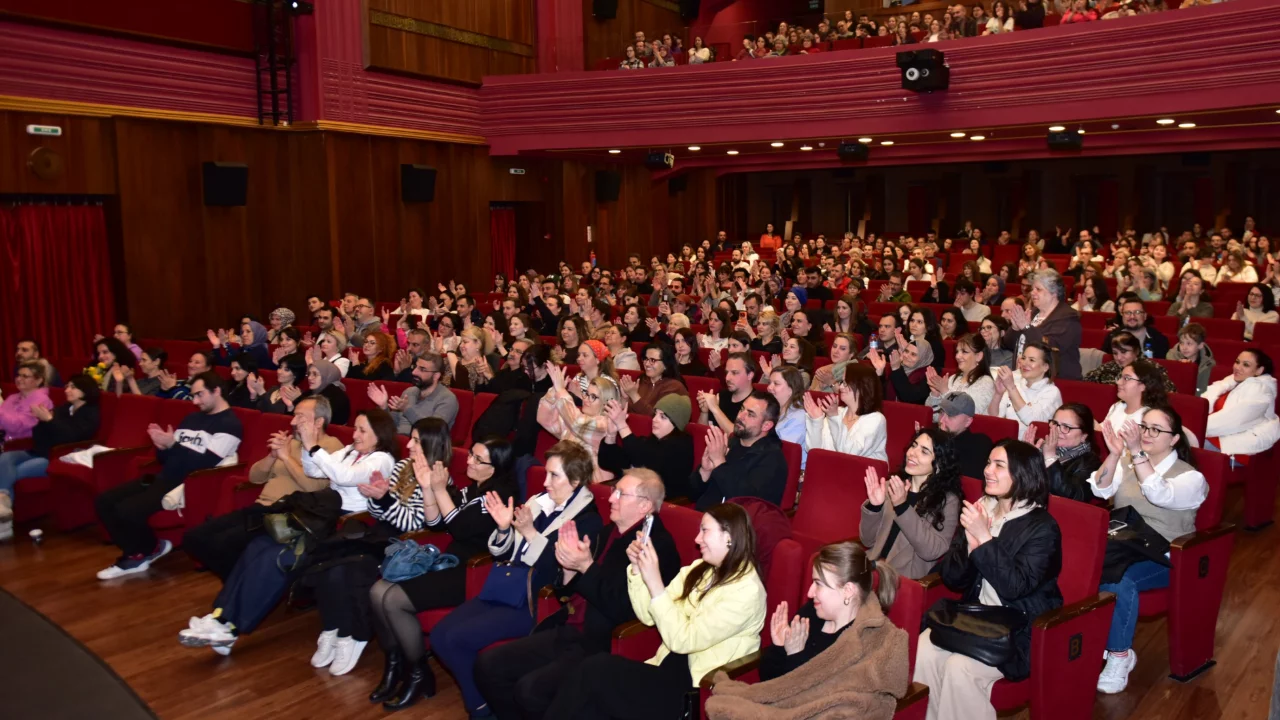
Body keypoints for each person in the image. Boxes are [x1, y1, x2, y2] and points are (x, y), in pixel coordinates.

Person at [179, 407, 397, 658]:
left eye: (362, 430)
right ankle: (220, 616)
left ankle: (230, 626)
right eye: (355, 428)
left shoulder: (381, 459)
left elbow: (343, 475)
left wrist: (313, 446)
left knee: (280, 558)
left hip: (344, 526)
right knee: (259, 545)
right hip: (320, 515)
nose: (355, 435)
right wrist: (307, 447)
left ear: (379, 434)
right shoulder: (350, 451)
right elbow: (315, 471)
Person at [474, 469, 683, 720]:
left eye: (620, 494)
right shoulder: (608, 533)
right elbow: (570, 591)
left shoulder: (655, 547)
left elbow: (622, 609)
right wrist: (568, 569)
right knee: (488, 665)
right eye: (614, 491)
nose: (611, 498)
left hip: (601, 642)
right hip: (570, 626)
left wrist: (585, 566)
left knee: (530, 690)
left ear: (644, 505)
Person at [426, 441, 603, 717]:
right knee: (440, 636)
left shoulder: (587, 520)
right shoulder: (538, 503)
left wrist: (531, 534)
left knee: (456, 639)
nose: (545, 482)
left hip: (536, 601)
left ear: (577, 480)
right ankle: (484, 704)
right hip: (506, 586)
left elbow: (557, 575)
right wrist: (503, 528)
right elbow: (505, 553)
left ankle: (481, 709)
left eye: (554, 476)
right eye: (546, 473)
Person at [545, 503, 767, 719]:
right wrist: (637, 569)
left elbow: (683, 640)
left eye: (704, 531)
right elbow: (647, 615)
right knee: (590, 700)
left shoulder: (747, 591)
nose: (697, 539)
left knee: (595, 669)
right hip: (665, 668)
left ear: (728, 536)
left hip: (695, 690)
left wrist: (654, 581)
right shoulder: (700, 570)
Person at [365, 436, 520, 709]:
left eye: (477, 459)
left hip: (473, 573)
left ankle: (418, 674)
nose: (469, 460)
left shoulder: (495, 495)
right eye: (471, 454)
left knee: (393, 599)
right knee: (378, 590)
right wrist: (427, 488)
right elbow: (436, 523)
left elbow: (458, 527)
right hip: (449, 562)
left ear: (494, 468)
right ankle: (395, 665)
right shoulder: (473, 488)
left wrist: (438, 489)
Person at [913, 439, 1063, 720]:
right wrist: (969, 544)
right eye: (988, 463)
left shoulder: (1043, 527)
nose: (987, 471)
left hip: (1019, 629)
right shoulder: (981, 509)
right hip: (977, 618)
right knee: (925, 647)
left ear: (1022, 474)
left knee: (960, 668)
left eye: (999, 465)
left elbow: (1015, 587)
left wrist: (983, 539)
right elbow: (954, 579)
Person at [307, 417, 451, 678]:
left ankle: (355, 635)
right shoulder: (403, 466)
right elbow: (379, 512)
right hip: (383, 532)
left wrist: (385, 500)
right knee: (330, 567)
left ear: (432, 443)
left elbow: (414, 523)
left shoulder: (441, 478)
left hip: (407, 544)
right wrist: (377, 497)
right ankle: (332, 628)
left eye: (417, 441)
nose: (409, 446)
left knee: (354, 569)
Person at [705, 541, 909, 720]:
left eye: (818, 584)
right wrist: (778, 647)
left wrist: (795, 655)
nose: (810, 592)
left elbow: (832, 699)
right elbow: (769, 679)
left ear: (847, 591)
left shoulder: (868, 638)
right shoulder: (811, 614)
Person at [1090, 406, 1207, 694]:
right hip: (1124, 544)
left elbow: (1158, 493)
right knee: (1084, 563)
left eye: (1156, 429)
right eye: (1144, 427)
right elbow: (1099, 489)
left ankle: (1120, 655)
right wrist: (1116, 453)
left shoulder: (1191, 478)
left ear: (1174, 439)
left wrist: (1135, 452)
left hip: (1166, 555)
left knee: (1118, 578)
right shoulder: (1128, 462)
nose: (1146, 434)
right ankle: (1091, 644)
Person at [94, 372, 243, 580]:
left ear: (216, 391)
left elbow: (204, 465)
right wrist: (162, 446)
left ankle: (137, 555)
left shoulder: (229, 425)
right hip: (164, 476)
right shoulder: (192, 417)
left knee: (126, 510)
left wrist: (173, 445)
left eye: (200, 395)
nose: (195, 401)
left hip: (185, 483)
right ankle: (147, 548)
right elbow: (167, 457)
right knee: (104, 500)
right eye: (193, 395)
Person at [181, 395, 343, 579]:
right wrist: (273, 455)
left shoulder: (331, 447)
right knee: (194, 537)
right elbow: (254, 477)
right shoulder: (290, 441)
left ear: (319, 422)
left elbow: (312, 486)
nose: (293, 421)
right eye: (294, 415)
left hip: (286, 515)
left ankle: (239, 586)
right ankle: (239, 581)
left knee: (223, 543)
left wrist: (285, 458)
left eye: (300, 417)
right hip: (260, 508)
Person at [0, 373, 99, 537]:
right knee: (5, 458)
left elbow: (73, 437)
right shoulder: (63, 409)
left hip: (56, 457)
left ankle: (4, 525)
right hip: (38, 450)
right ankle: (3, 501)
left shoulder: (90, 413)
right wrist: (42, 421)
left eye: (73, 387)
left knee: (15, 471)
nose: (67, 390)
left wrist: (50, 420)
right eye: (67, 386)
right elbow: (39, 435)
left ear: (86, 390)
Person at [860, 428, 962, 579]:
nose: (912, 453)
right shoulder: (893, 485)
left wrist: (902, 507)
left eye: (924, 451)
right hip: (871, 569)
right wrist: (875, 507)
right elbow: (867, 540)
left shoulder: (947, 501)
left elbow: (932, 551)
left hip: (902, 579)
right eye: (913, 445)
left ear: (939, 464)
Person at [690, 391, 789, 510]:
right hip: (703, 518)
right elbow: (692, 494)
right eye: (742, 409)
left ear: (766, 426)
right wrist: (705, 472)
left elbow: (748, 504)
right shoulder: (730, 443)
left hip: (733, 526)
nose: (740, 416)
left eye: (751, 414)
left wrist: (720, 464)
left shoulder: (772, 459)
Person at [599, 393, 695, 498]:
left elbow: (643, 460)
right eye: (655, 414)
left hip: (659, 504)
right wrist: (611, 435)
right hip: (635, 496)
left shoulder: (681, 446)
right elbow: (607, 462)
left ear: (677, 424)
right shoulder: (651, 441)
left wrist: (622, 425)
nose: (654, 419)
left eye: (662, 417)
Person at [1003, 269, 1082, 380]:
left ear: (1053, 293)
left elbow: (1049, 348)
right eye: (1033, 289)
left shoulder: (1068, 317)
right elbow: (1008, 344)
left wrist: (1026, 327)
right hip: (1025, 377)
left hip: (1057, 381)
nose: (1032, 292)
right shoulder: (1033, 312)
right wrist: (1015, 328)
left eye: (1038, 289)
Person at [1202, 349, 1280, 457]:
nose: (1237, 367)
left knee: (1179, 443)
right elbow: (1203, 405)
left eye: (1246, 365)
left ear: (1259, 370)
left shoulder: (1260, 390)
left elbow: (1234, 421)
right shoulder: (1231, 381)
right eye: (1237, 362)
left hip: (1234, 445)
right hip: (1215, 433)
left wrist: (1198, 427)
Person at [804, 364, 889, 463]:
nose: (840, 387)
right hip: (832, 471)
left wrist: (833, 417)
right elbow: (814, 451)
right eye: (841, 382)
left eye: (845, 383)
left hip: (862, 475)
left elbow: (849, 454)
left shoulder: (876, 419)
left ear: (861, 386)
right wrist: (816, 420)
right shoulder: (838, 412)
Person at [368, 353, 459, 435]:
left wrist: (407, 409)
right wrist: (384, 407)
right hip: (398, 443)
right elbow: (391, 424)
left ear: (436, 376)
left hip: (423, 449)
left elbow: (433, 432)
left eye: (422, 369)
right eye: (415, 367)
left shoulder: (447, 399)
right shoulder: (409, 392)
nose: (414, 372)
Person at [988, 341, 1063, 435]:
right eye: (1023, 358)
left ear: (1045, 367)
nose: (1024, 363)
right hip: (1008, 440)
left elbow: (1032, 421)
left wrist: (1011, 388)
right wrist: (998, 394)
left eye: (1031, 360)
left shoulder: (1051, 392)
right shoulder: (1016, 385)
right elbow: (994, 416)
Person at [1035, 403, 1101, 502]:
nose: (1057, 431)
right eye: (1055, 424)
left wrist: (1050, 458)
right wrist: (1027, 459)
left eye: (1066, 427)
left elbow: (1073, 496)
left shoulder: (1091, 463)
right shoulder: (1040, 446)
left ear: (1084, 436)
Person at [926, 333, 996, 420]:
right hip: (944, 431)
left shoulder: (985, 382)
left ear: (978, 356)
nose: (958, 356)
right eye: (957, 352)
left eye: (964, 352)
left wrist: (945, 391)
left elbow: (969, 414)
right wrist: (935, 394)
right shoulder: (953, 379)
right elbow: (935, 418)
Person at [1102, 358, 1170, 448]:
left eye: (1126, 378)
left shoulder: (1149, 418)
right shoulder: (1117, 406)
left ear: (1143, 386)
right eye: (1120, 377)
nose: (1118, 382)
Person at [1088, 331, 1177, 392]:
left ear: (1136, 351)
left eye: (1124, 352)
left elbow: (1170, 392)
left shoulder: (1152, 369)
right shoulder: (1107, 368)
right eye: (1115, 353)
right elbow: (1086, 385)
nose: (1119, 357)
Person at [935, 391, 995, 479]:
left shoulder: (979, 445)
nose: (941, 420)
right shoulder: (932, 436)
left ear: (968, 421)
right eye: (941, 413)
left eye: (950, 416)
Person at [622, 342, 691, 416]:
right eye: (645, 359)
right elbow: (629, 414)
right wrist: (625, 398)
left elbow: (656, 418)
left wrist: (633, 395)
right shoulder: (642, 380)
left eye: (653, 360)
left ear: (666, 364)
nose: (647, 364)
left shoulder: (675, 387)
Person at [697, 352, 755, 433]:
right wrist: (704, 412)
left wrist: (715, 408)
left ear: (750, 375)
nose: (727, 378)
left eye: (734, 373)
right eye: (726, 372)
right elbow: (701, 434)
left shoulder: (757, 403)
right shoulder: (722, 395)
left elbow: (738, 438)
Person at [767, 365, 810, 469]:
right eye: (769, 383)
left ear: (791, 389)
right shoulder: (772, 408)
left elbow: (782, 451)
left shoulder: (799, 416)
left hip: (790, 472)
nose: (769, 387)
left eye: (776, 384)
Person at [0, 361, 53, 444]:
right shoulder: (12, 397)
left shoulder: (42, 401)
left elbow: (16, 427)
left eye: (25, 376)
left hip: (21, 445)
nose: (19, 379)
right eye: (18, 375)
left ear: (38, 380)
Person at [1102, 299, 1170, 359]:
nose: (1132, 316)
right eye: (1128, 313)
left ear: (1145, 316)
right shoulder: (1112, 336)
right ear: (1122, 316)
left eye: (1137, 312)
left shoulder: (1159, 340)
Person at [1166, 323, 1216, 395]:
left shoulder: (1208, 364)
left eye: (1189, 344)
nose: (1184, 347)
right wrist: (1178, 366)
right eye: (1181, 343)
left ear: (1200, 345)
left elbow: (1204, 390)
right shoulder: (1171, 358)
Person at [303, 358, 351, 427]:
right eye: (309, 374)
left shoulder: (337, 397)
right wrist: (291, 405)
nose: (310, 378)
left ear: (327, 375)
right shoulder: (311, 392)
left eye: (315, 374)